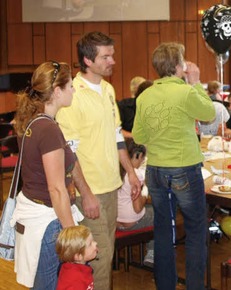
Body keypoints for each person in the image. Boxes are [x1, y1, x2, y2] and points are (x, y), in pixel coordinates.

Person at [56, 31, 142, 290]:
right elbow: (69, 154)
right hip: (89, 193)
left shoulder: (107, 89)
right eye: (106, 56)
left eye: (112, 54)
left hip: (111, 187)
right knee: (99, 260)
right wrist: (86, 193)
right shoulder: (72, 95)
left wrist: (131, 173)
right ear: (88, 60)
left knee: (105, 256)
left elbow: (117, 136)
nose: (112, 61)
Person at [132, 42, 215, 290]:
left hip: (155, 171)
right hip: (184, 169)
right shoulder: (187, 92)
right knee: (196, 231)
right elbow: (209, 112)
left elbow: (138, 136)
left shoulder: (145, 95)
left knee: (163, 232)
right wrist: (196, 81)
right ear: (179, 66)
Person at [11, 61, 84, 289]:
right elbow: (56, 188)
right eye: (70, 85)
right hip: (47, 223)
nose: (73, 89)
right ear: (57, 91)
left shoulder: (33, 122)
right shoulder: (48, 129)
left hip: (35, 215)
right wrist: (73, 233)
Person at [116, 138, 154, 266]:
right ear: (136, 155)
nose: (142, 161)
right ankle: (152, 252)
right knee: (158, 212)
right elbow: (137, 207)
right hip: (131, 223)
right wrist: (146, 189)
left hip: (115, 222)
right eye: (142, 158)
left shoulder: (116, 170)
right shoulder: (135, 175)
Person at [55, 225, 98, 290]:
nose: (95, 243)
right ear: (78, 256)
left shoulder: (78, 268)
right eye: (90, 244)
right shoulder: (75, 279)